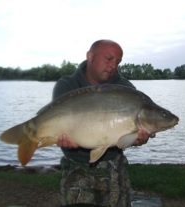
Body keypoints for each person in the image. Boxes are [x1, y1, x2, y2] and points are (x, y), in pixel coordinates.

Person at [52, 39, 151, 207]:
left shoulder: (125, 88)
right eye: (109, 59)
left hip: (114, 162)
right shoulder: (67, 85)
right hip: (76, 163)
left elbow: (129, 138)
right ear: (90, 56)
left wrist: (140, 139)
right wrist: (60, 139)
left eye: (118, 62)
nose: (113, 65)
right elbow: (59, 125)